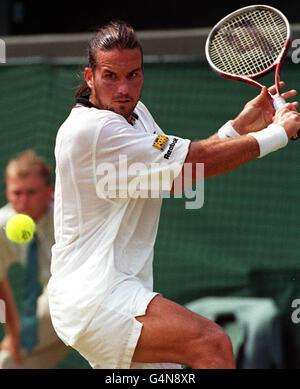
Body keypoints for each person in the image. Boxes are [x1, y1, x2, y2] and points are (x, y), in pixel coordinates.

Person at [47, 20, 300, 369]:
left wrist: (240, 126)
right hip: (97, 298)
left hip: (110, 297)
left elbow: (183, 163)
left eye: (133, 75)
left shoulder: (135, 116)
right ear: (90, 77)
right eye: (110, 76)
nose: (124, 87)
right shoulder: (92, 130)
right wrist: (278, 134)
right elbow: (194, 165)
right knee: (211, 344)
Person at [0, 150, 70, 368]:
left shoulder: (70, 214)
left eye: (31, 192)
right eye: (16, 192)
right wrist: (13, 332)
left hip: (99, 296)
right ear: (7, 192)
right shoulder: (2, 225)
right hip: (56, 302)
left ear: (50, 192)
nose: (23, 201)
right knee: (8, 362)